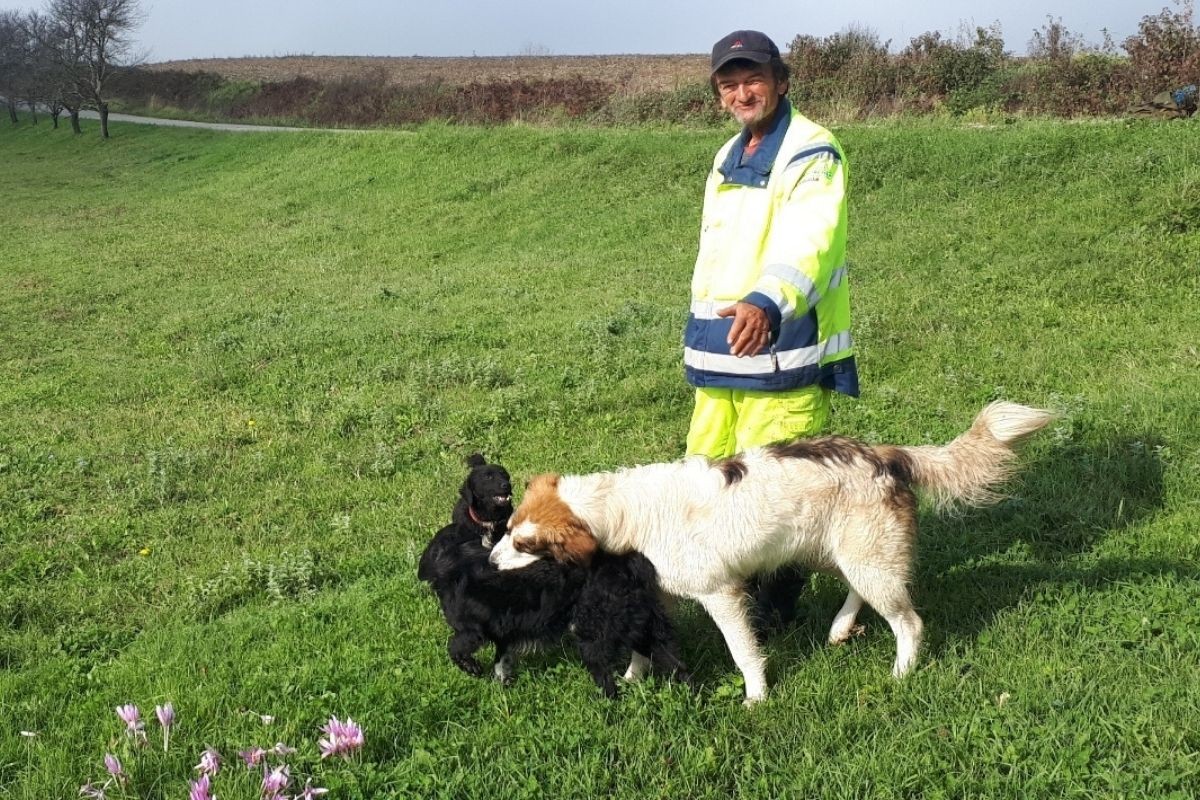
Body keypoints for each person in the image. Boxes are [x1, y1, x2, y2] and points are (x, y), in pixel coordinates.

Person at [684, 30, 858, 460]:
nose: (741, 94)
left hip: (779, 351)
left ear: (781, 81)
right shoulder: (728, 153)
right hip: (719, 354)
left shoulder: (812, 150)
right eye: (728, 85)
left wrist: (765, 302)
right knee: (700, 486)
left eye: (753, 80)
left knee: (770, 505)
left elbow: (811, 239)